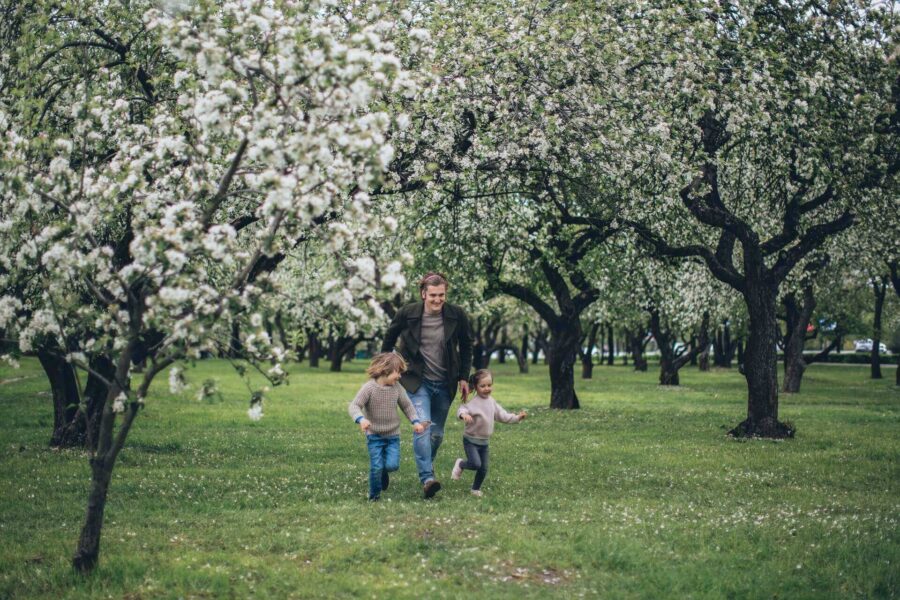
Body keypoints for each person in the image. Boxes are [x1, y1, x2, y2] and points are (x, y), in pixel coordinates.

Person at [381, 272, 474, 499]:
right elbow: (388, 339)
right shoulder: (408, 313)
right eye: (433, 295)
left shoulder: (456, 315)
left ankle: (423, 468)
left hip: (445, 382)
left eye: (441, 295)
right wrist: (385, 369)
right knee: (422, 427)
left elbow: (467, 345)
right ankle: (427, 479)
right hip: (416, 380)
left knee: (437, 435)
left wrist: (464, 377)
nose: (437, 300)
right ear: (424, 294)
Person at [348, 352, 425, 501]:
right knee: (376, 466)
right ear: (385, 370)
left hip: (392, 436)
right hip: (374, 435)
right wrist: (361, 419)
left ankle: (384, 471)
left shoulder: (397, 388)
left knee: (392, 466)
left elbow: (407, 406)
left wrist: (415, 421)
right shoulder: (369, 388)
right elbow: (354, 406)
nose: (400, 376)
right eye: (398, 372)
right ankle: (374, 496)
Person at [451, 369, 526, 497]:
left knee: (483, 468)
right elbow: (462, 408)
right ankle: (461, 464)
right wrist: (464, 415)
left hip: (484, 442)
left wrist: (517, 418)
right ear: (475, 386)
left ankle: (475, 489)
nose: (487, 388)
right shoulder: (472, 402)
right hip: (470, 440)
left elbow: (502, 415)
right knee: (475, 464)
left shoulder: (492, 402)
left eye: (489, 385)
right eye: (483, 386)